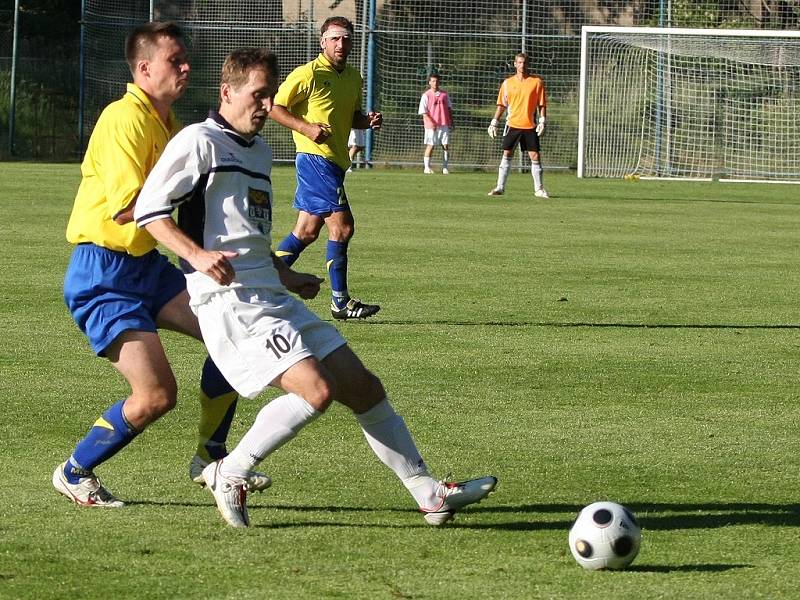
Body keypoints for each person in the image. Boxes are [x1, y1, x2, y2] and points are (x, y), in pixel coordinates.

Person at [133, 47, 498, 528]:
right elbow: (149, 211)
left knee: (364, 388)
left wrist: (285, 275)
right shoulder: (198, 142)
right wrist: (198, 257)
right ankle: (231, 472)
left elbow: (248, 236)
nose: (266, 107)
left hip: (272, 296)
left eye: (270, 97)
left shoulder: (259, 152)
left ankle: (429, 494)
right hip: (231, 303)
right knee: (316, 391)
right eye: (258, 96)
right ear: (227, 92)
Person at [52, 22, 269, 508]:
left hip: (147, 267)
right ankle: (73, 470)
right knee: (156, 396)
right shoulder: (122, 118)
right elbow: (132, 208)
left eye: (186, 59)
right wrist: (194, 241)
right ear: (145, 68)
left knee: (233, 333)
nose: (187, 66)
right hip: (103, 275)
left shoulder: (167, 124)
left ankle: (210, 459)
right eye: (176, 60)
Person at [270, 16, 381, 321]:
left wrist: (366, 121)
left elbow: (351, 117)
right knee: (343, 227)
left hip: (334, 162)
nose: (340, 44)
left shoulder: (354, 77)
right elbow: (275, 107)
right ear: (323, 42)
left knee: (305, 232)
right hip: (315, 159)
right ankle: (340, 302)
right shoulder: (309, 73)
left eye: (346, 38)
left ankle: (258, 280)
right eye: (334, 38)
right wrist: (305, 128)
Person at [487, 52, 549, 198]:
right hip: (512, 124)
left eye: (525, 62)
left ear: (528, 64)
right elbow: (502, 104)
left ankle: (539, 189)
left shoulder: (536, 82)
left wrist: (542, 121)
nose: (522, 65)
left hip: (529, 125)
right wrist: (494, 121)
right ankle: (500, 187)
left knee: (535, 156)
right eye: (519, 62)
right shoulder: (507, 83)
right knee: (507, 153)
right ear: (515, 64)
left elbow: (542, 104)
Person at [418, 73, 453, 174]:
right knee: (431, 145)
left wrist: (451, 120)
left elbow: (449, 108)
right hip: (431, 125)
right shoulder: (426, 95)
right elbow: (423, 112)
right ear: (429, 82)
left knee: (445, 145)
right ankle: (427, 167)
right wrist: (431, 122)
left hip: (444, 123)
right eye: (433, 81)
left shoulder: (445, 95)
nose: (435, 83)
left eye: (437, 81)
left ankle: (445, 167)